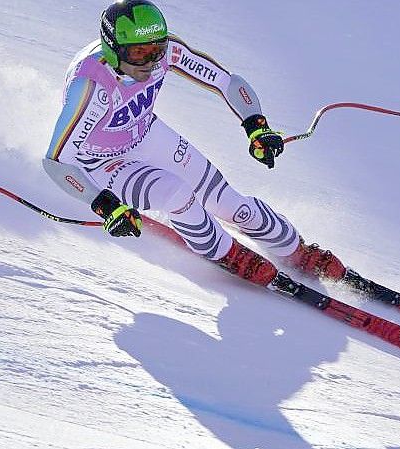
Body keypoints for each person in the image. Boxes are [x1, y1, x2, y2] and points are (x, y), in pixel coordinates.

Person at [44, 0, 347, 288]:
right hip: (100, 162)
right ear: (114, 49)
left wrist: (256, 126)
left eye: (157, 50)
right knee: (176, 193)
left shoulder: (166, 53)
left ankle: (297, 250)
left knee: (229, 202)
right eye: (139, 53)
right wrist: (104, 204)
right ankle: (227, 253)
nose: (151, 61)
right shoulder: (91, 87)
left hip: (146, 134)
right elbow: (56, 161)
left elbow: (228, 82)